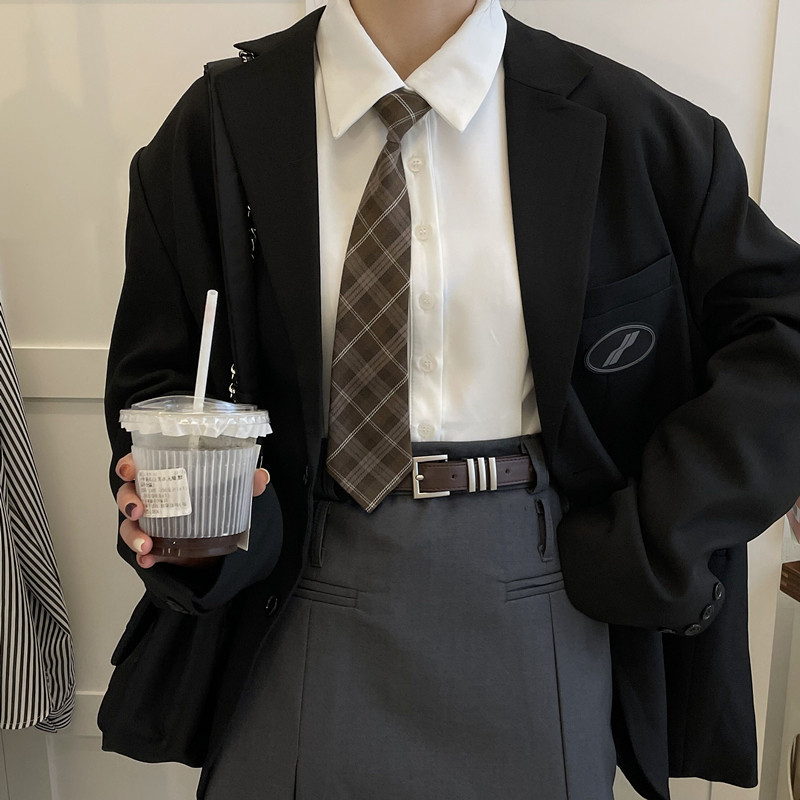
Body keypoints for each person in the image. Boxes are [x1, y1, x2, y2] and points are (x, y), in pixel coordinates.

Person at [103, 0, 800, 798]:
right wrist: (188, 521)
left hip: (538, 599)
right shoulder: (219, 125)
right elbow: (159, 381)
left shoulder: (632, 128)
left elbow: (786, 332)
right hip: (293, 593)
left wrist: (658, 531)